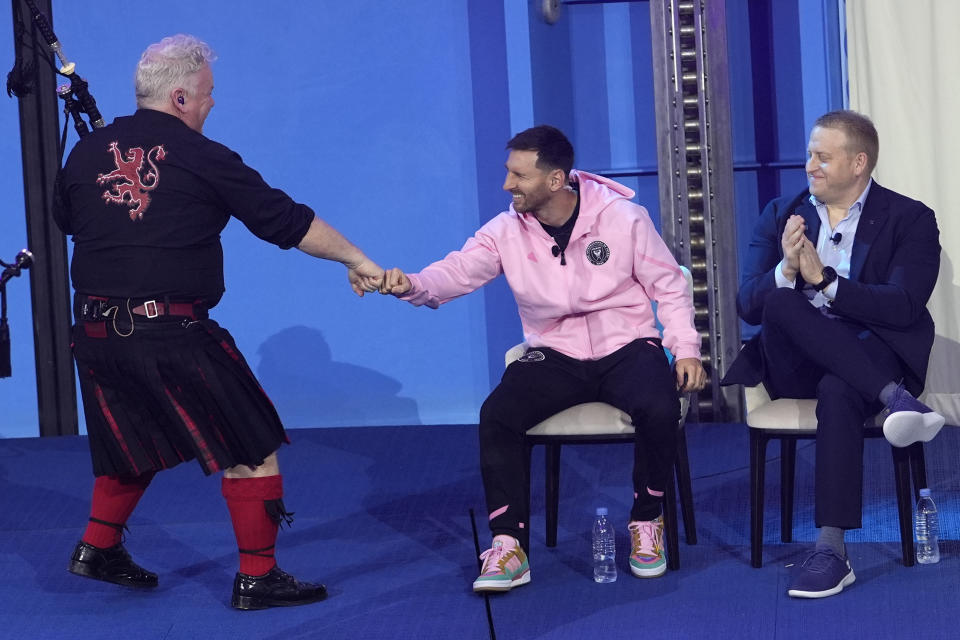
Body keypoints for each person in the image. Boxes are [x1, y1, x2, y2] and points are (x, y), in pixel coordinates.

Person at [52, 34, 383, 610]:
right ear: (180, 97)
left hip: (95, 333)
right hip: (170, 331)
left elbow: (65, 218)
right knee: (251, 446)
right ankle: (258, 577)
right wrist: (358, 260)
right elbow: (287, 221)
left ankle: (97, 547)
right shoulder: (204, 156)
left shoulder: (86, 153)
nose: (211, 106)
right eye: (207, 95)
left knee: (135, 443)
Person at [378, 125, 706, 592]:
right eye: (508, 173)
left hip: (627, 345)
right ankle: (509, 545)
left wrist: (686, 348)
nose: (507, 184)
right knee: (497, 415)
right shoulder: (504, 230)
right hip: (555, 353)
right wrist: (412, 285)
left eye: (518, 174)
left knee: (659, 408)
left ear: (555, 180)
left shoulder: (624, 218)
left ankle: (646, 519)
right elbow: (458, 271)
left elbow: (668, 285)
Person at [723, 110, 944, 599]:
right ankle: (895, 398)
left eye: (823, 157)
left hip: (869, 350)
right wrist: (787, 267)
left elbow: (905, 304)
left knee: (840, 386)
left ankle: (830, 549)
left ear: (859, 163)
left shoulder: (910, 219)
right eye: (810, 155)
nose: (810, 166)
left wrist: (827, 282)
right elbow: (748, 304)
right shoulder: (783, 213)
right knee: (781, 298)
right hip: (793, 360)